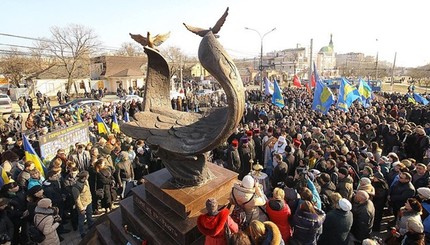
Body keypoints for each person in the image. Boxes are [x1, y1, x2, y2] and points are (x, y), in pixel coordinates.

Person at [71, 171, 94, 239]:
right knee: (82, 219)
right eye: (87, 176)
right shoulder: (75, 187)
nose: (88, 177)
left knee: (89, 215)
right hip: (83, 205)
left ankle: (90, 225)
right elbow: (77, 200)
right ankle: (82, 232)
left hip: (89, 201)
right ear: (84, 177)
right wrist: (81, 209)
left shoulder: (86, 182)